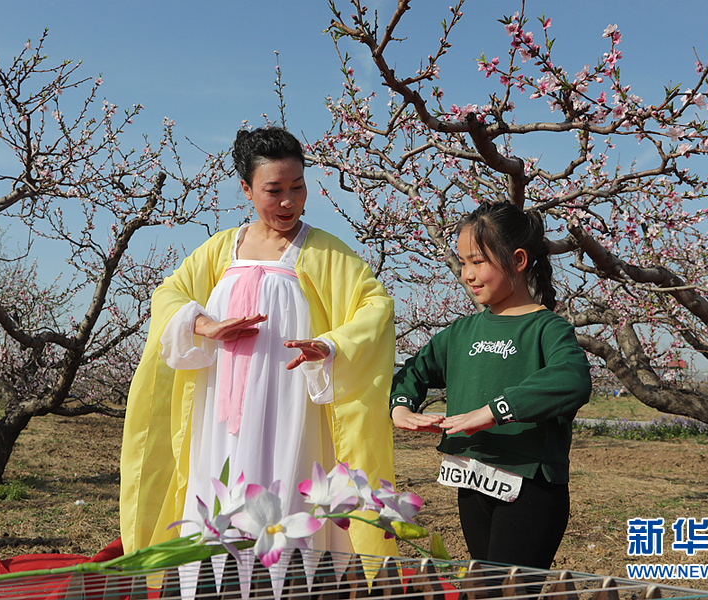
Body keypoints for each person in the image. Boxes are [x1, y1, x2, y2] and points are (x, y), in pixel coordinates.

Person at [119, 126, 398, 560]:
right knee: (218, 494)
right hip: (218, 410)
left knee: (288, 495)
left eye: (298, 187)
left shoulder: (325, 252)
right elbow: (168, 295)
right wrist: (202, 323)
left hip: (292, 404)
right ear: (247, 189)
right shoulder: (219, 251)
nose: (288, 201)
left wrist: (331, 346)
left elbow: (375, 306)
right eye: (274, 190)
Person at [390, 201, 591, 569]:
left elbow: (572, 380)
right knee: (485, 586)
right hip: (472, 477)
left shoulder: (546, 328)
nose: (467, 273)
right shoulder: (461, 332)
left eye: (478, 261)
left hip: (530, 483)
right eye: (463, 262)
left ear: (518, 260)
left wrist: (493, 412)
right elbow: (413, 370)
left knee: (507, 592)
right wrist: (401, 406)